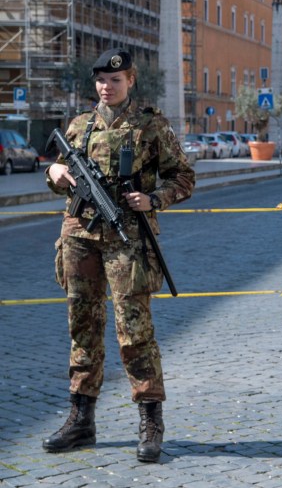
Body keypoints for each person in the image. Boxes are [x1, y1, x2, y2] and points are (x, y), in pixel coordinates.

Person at [43, 48, 195, 463]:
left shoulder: (150, 125)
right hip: (79, 236)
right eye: (100, 81)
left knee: (134, 331)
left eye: (115, 81)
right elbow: (59, 172)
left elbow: (184, 176)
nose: (106, 87)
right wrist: (54, 173)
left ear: (130, 82)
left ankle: (150, 422)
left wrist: (153, 199)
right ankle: (81, 420)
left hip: (128, 237)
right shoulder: (80, 126)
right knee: (83, 327)